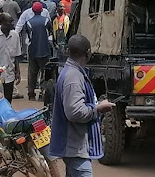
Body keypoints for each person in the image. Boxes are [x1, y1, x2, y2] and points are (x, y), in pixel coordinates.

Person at [49, 35, 115, 177]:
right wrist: (98, 109)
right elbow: (75, 112)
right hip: (75, 147)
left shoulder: (73, 72)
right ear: (88, 52)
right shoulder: (73, 77)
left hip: (75, 147)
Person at [0, 13, 22, 103]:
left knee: (8, 100)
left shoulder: (15, 35)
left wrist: (18, 71)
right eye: (9, 22)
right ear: (2, 23)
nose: (12, 24)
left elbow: (16, 55)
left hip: (9, 75)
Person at [22, 2, 53, 101]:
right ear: (41, 10)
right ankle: (43, 93)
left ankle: (31, 94)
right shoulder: (46, 21)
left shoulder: (29, 22)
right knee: (45, 73)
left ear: (33, 10)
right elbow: (50, 33)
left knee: (32, 73)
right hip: (45, 50)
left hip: (33, 50)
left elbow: (28, 35)